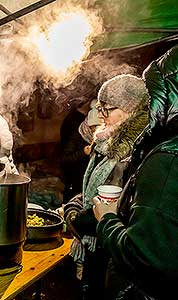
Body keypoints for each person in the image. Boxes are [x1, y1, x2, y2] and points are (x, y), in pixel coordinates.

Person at [92, 45, 178, 300]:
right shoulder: (111, 143)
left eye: (108, 108)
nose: (102, 115)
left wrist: (105, 219)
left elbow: (146, 257)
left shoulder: (165, 159)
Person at [64, 74, 149, 300]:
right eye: (98, 108)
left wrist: (75, 219)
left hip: (112, 254)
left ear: (130, 109)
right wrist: (74, 203)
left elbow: (118, 207)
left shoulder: (134, 153)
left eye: (106, 109)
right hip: (97, 246)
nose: (100, 115)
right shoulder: (105, 143)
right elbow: (95, 187)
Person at [59, 99, 93, 203]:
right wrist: (83, 152)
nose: (95, 131)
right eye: (93, 128)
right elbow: (65, 159)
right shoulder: (77, 135)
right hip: (74, 180)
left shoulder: (102, 137)